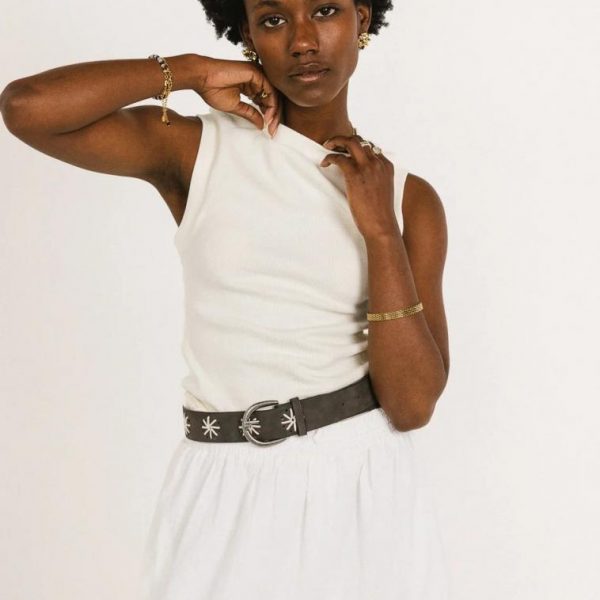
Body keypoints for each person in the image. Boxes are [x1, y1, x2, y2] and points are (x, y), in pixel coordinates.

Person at [0, 0, 450, 598]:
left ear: (361, 19)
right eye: (273, 19)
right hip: (219, 476)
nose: (302, 41)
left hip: (359, 481)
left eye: (325, 10)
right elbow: (26, 108)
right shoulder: (197, 150)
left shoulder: (407, 199)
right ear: (246, 36)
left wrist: (381, 233)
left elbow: (413, 405)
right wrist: (189, 70)